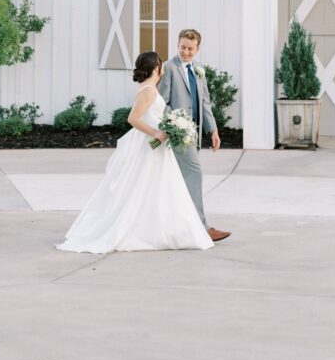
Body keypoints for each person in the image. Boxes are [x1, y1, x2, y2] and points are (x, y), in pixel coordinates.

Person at [56, 51, 213, 253]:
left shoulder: (150, 88)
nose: (163, 67)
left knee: (157, 188)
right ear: (156, 68)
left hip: (155, 146)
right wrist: (156, 132)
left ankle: (159, 228)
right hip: (147, 144)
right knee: (141, 187)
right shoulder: (148, 90)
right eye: (160, 65)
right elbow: (133, 118)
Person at [159, 28, 231, 242]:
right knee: (195, 174)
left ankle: (181, 226)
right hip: (179, 134)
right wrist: (175, 125)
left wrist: (213, 130)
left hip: (196, 133)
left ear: (197, 49)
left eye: (190, 49)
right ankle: (202, 227)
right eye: (183, 47)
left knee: (181, 181)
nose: (186, 52)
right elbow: (162, 102)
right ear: (178, 45)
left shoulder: (199, 69)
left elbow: (205, 101)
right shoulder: (169, 68)